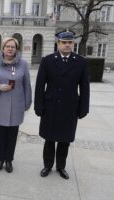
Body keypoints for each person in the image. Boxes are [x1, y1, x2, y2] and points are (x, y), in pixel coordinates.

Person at [34, 30, 90, 179]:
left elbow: (85, 87)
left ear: (73, 44)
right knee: (49, 139)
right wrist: (38, 106)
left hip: (70, 107)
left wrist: (84, 108)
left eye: (70, 42)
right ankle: (47, 165)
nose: (67, 45)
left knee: (65, 140)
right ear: (58, 44)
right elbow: (40, 86)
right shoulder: (48, 61)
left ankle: (61, 167)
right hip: (51, 106)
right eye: (64, 42)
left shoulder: (80, 62)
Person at [0, 37, 32, 173]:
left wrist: (28, 102)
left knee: (12, 135)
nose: (10, 49)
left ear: (16, 49)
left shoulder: (22, 64)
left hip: (16, 105)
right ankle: (0, 159)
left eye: (13, 47)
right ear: (3, 48)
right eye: (7, 46)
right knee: (0, 135)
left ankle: (9, 160)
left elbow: (26, 85)